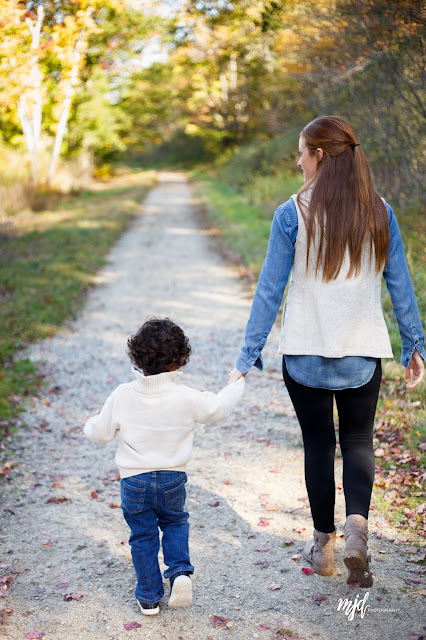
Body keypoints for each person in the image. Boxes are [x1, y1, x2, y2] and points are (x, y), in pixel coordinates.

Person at [228, 115, 425, 588]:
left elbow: (269, 290)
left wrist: (247, 355)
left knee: (319, 445)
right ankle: (358, 533)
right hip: (362, 357)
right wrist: (414, 344)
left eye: (302, 153)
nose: (297, 162)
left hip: (304, 357)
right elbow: (400, 284)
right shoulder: (379, 211)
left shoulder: (290, 213)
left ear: (319, 156)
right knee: (358, 442)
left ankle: (323, 546)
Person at [84, 317, 245, 615]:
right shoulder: (185, 397)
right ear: (181, 360)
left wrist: (89, 424)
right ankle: (180, 572)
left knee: (142, 535)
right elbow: (218, 408)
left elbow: (101, 433)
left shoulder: (122, 395)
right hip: (172, 478)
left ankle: (148, 597)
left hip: (134, 481)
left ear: (135, 358)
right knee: (174, 522)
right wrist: (236, 383)